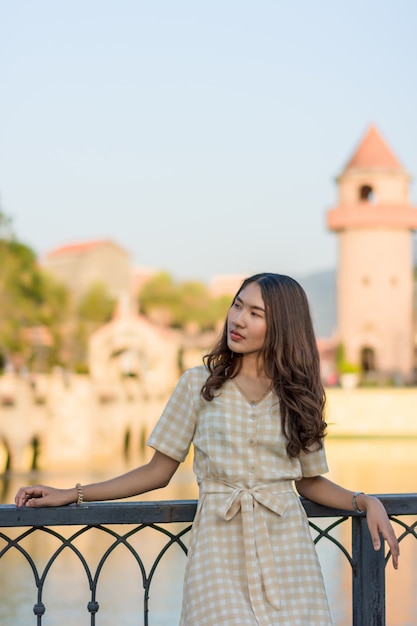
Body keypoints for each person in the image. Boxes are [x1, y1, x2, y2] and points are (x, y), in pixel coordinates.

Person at [15, 273, 399, 626]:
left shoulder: (300, 395)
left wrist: (365, 501)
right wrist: (71, 494)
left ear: (282, 325)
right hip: (218, 550)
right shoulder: (199, 384)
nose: (238, 319)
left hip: (288, 551)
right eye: (237, 305)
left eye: (255, 313)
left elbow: (311, 483)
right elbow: (156, 472)